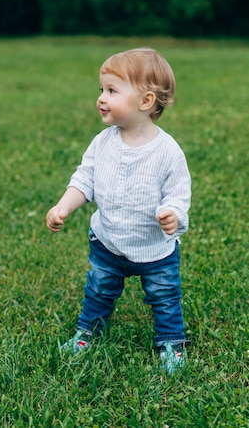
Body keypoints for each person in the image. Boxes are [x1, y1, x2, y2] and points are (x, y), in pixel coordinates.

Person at [46, 47, 191, 374]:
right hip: (108, 242)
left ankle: (171, 342)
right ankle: (88, 332)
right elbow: (85, 179)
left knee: (164, 297)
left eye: (112, 91)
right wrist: (63, 206)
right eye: (101, 90)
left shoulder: (167, 152)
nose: (101, 98)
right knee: (98, 288)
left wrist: (172, 214)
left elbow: (178, 195)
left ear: (146, 101)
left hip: (155, 250)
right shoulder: (103, 142)